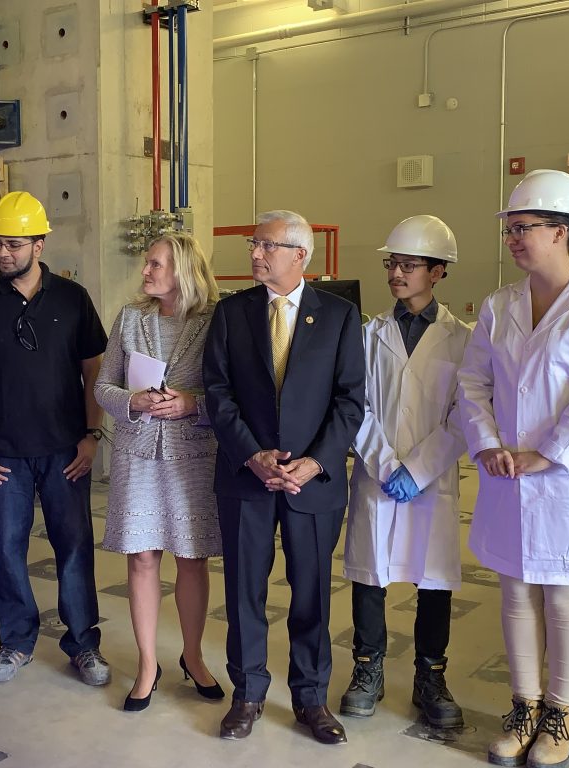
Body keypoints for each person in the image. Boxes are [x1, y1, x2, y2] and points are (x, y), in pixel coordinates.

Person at [457, 170, 569, 768]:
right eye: (509, 229)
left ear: (562, 231)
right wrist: (485, 443)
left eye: (522, 228)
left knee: (563, 593)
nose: (511, 238)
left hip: (566, 478)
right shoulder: (500, 303)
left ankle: (560, 713)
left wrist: (548, 453)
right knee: (514, 590)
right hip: (507, 473)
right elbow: (472, 380)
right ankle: (524, 706)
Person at [203, 210, 365, 744]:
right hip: (248, 477)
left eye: (265, 245)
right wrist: (252, 455)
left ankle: (311, 698)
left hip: (311, 483)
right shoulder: (232, 314)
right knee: (245, 590)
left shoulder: (339, 316)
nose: (253, 253)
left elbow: (350, 402)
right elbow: (218, 393)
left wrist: (315, 462)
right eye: (253, 243)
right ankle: (247, 694)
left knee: (311, 593)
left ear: (300, 255)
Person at [0, 191, 111, 686]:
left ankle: (83, 644)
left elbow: (93, 371)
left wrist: (91, 436)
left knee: (74, 546)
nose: (4, 253)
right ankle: (16, 641)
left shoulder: (72, 298)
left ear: (40, 244)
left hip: (66, 449)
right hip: (2, 454)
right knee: (5, 547)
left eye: (15, 244)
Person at [341, 215, 470, 729]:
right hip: (378, 474)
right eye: (391, 262)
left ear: (438, 271)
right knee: (370, 575)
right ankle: (367, 670)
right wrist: (386, 463)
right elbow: (355, 405)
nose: (396, 272)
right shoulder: (368, 334)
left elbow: (467, 413)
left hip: (433, 480)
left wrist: (419, 469)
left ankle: (430, 675)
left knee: (433, 580)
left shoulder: (464, 338)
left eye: (408, 264)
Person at [94, 232, 223, 712]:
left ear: (184, 270)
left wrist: (193, 403)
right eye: (147, 264)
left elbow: (231, 395)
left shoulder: (215, 322)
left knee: (192, 558)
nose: (146, 272)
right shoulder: (131, 318)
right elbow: (103, 386)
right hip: (138, 454)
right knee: (142, 558)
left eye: (155, 264)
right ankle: (149, 664)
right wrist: (134, 401)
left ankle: (192, 655)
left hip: (194, 454)